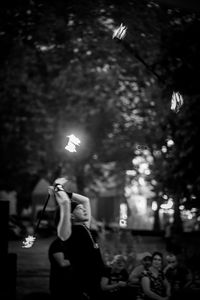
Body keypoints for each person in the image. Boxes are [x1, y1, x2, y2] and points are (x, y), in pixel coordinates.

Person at [50, 177, 106, 300]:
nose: (85, 209)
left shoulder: (85, 227)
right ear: (71, 215)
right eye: (80, 209)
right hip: (81, 285)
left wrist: (68, 193)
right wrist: (58, 187)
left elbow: (86, 200)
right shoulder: (67, 232)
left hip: (95, 282)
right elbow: (65, 203)